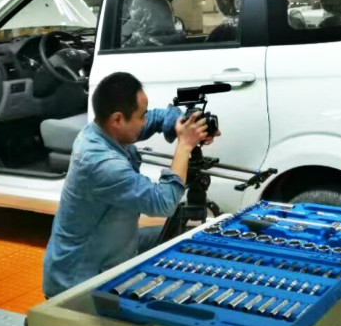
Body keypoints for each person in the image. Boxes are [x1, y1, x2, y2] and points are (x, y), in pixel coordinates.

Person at [42, 71, 213, 299]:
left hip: (113, 245)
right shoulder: (100, 163)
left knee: (183, 236)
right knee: (177, 239)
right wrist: (185, 145)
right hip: (77, 283)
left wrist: (186, 123)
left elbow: (156, 118)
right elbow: (164, 202)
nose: (145, 121)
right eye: (141, 116)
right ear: (117, 120)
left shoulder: (104, 130)